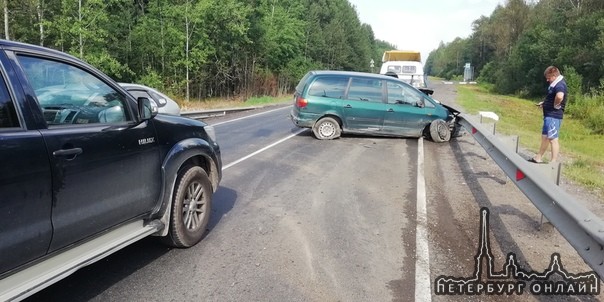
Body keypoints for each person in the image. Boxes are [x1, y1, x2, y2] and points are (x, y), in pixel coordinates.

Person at [529, 66, 567, 163]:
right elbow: (553, 97)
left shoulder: (560, 84)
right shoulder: (555, 84)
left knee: (553, 139)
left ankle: (553, 163)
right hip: (549, 115)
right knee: (545, 137)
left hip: (553, 116)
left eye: (549, 77)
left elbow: (559, 96)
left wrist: (555, 104)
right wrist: (545, 103)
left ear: (554, 75)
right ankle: (538, 157)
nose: (547, 80)